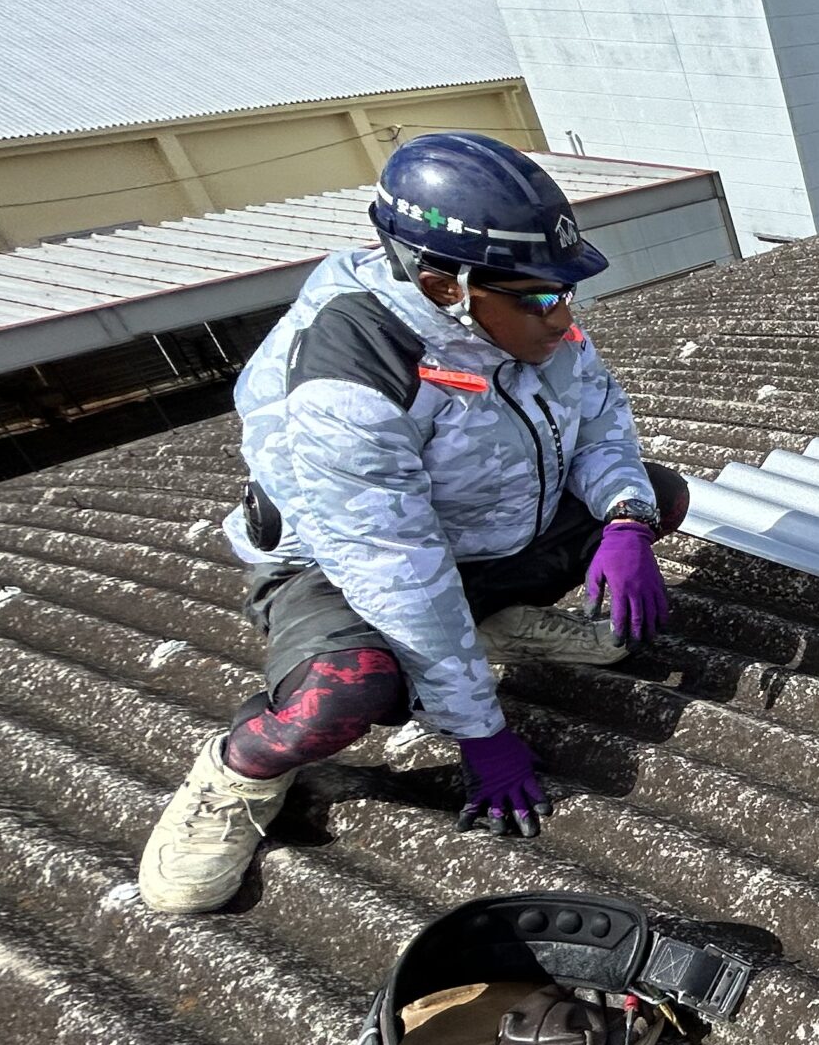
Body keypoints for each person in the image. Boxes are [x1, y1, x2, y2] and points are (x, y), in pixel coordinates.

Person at [137, 133, 684, 915]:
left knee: (659, 496)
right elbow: (402, 576)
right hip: (348, 573)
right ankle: (235, 778)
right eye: (541, 297)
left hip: (482, 541)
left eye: (565, 291)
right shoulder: (348, 381)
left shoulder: (523, 316)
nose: (563, 315)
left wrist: (627, 522)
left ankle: (493, 619)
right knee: (343, 695)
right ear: (443, 286)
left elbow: (600, 429)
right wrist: (480, 731)